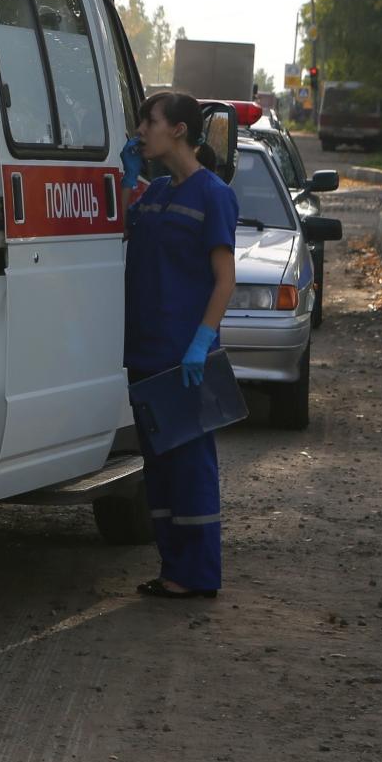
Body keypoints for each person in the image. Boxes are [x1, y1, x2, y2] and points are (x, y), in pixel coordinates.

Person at [118, 92, 238, 600]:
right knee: (160, 469)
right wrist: (128, 181)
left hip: (183, 357)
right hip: (145, 351)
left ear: (180, 130)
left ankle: (199, 574)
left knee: (190, 468)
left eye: (150, 121)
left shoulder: (213, 194)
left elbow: (225, 279)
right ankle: (173, 570)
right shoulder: (157, 192)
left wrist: (201, 343)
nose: (141, 131)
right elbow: (126, 231)